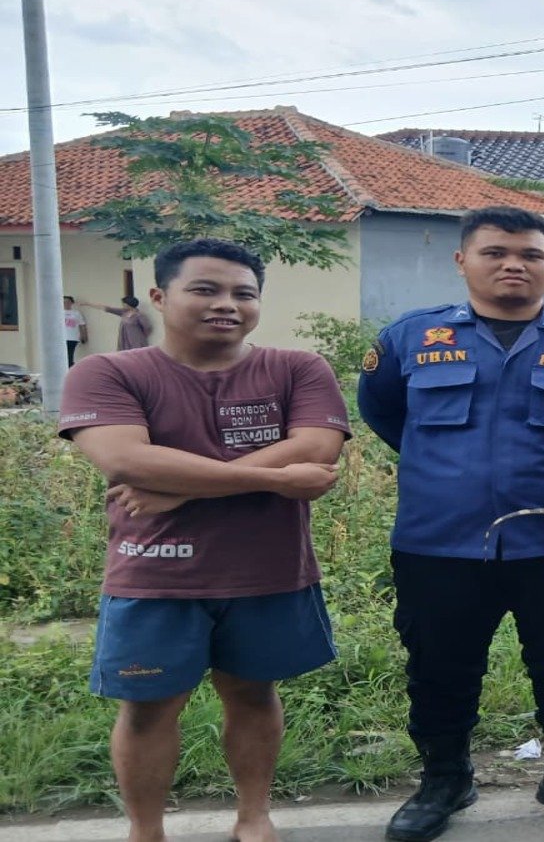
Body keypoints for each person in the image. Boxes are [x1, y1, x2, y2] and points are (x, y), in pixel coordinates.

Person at [358, 206, 544, 842]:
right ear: (463, 261)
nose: (514, 264)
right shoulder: (411, 339)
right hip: (440, 541)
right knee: (439, 666)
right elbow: (383, 415)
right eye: (495, 252)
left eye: (531, 254)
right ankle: (445, 779)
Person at [58, 238, 350, 842]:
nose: (228, 304)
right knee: (147, 708)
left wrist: (185, 487)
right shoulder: (107, 372)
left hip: (269, 571)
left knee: (252, 693)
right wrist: (271, 477)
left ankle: (254, 817)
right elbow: (124, 461)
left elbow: (316, 453)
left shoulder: (298, 368)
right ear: (161, 297)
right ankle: (146, 831)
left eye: (244, 294)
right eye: (206, 289)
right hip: (156, 575)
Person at [81, 296, 155, 350]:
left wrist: (140, 337)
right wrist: (88, 304)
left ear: (128, 304)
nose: (123, 305)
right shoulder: (123, 312)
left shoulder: (139, 315)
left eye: (124, 303)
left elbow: (148, 328)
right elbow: (107, 308)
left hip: (136, 342)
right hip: (124, 342)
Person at [63, 295, 87, 365]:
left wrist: (84, 336)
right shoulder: (58, 312)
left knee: (69, 354)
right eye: (64, 302)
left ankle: (70, 367)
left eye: (68, 302)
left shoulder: (76, 313)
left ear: (71, 303)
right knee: (63, 355)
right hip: (61, 338)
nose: (66, 303)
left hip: (73, 337)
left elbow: (82, 325)